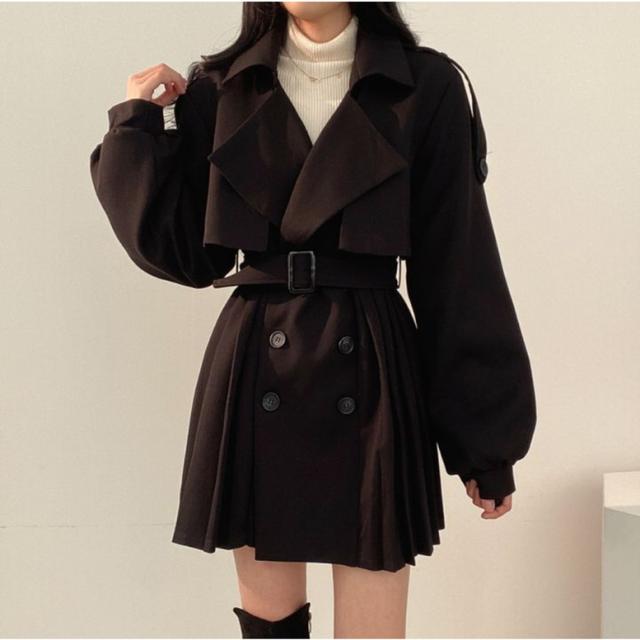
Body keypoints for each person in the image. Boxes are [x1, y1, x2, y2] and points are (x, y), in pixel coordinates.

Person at [89, 2, 537, 637]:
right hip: (257, 361)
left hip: (372, 369)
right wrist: (134, 127)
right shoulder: (223, 87)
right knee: (269, 627)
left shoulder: (424, 85)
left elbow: (458, 267)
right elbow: (187, 253)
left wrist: (484, 445)